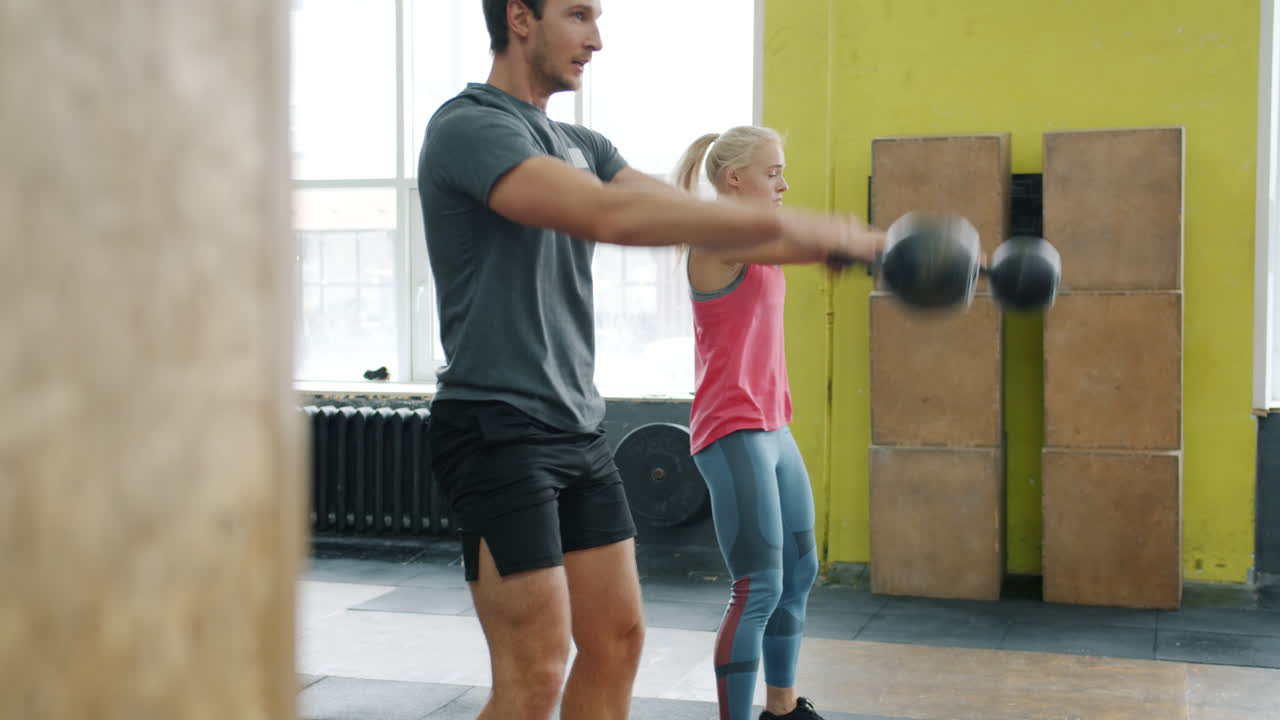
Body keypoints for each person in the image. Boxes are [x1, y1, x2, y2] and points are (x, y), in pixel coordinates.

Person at [418, 2, 883, 719]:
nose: (596, 38)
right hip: (495, 427)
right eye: (578, 15)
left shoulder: (583, 143)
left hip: (576, 426)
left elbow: (703, 222)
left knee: (617, 642)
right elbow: (609, 215)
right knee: (536, 672)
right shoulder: (470, 128)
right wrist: (820, 232)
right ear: (519, 16)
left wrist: (867, 246)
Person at [675, 127, 833, 720]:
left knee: (799, 573)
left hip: (774, 426)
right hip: (732, 429)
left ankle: (782, 710)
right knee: (758, 586)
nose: (784, 184)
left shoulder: (754, 236)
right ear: (734, 177)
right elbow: (797, 241)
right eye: (773, 173)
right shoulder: (720, 238)